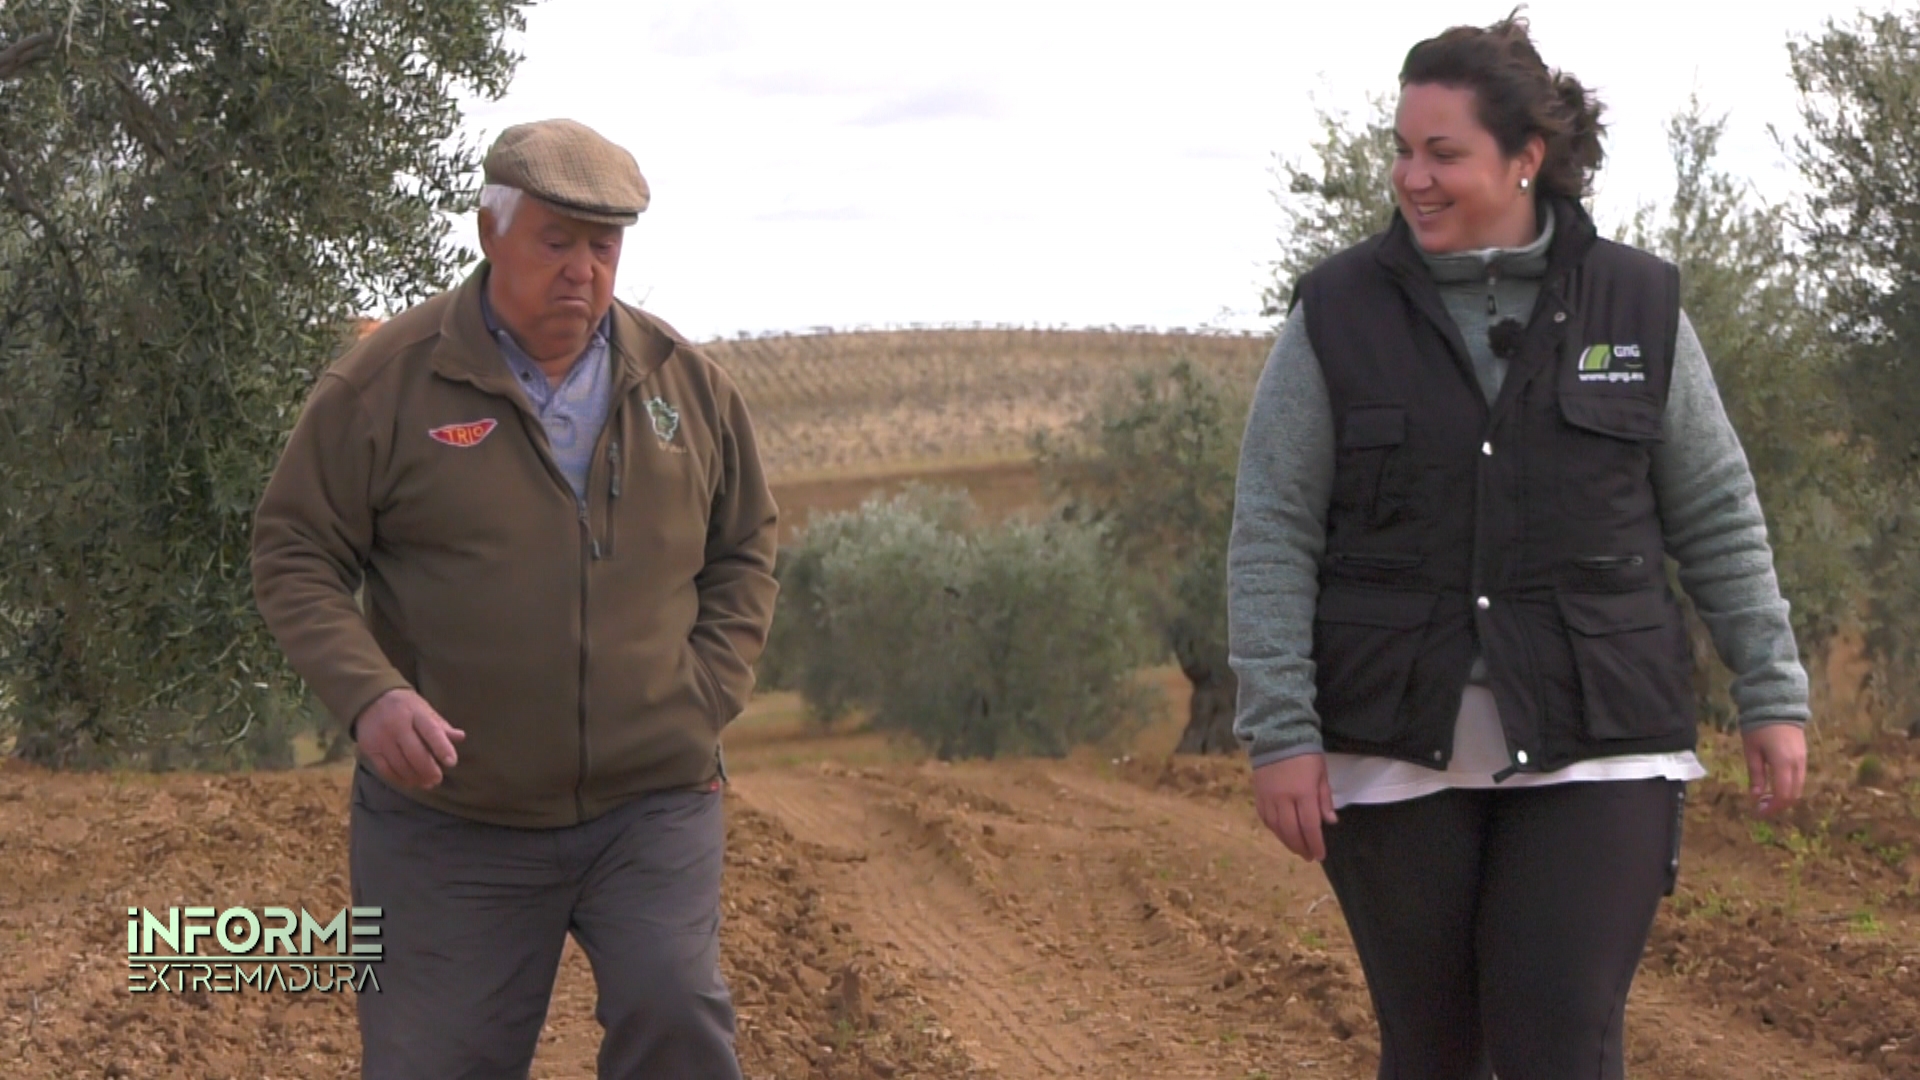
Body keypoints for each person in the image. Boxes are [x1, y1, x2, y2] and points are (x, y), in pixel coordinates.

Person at [1226, 15, 1808, 1080]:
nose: (1415, 176)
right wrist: (1280, 731)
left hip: (1603, 732)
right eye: (1403, 149)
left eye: (1443, 153)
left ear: (1526, 158)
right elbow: (1272, 528)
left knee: (1561, 1040)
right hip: (1393, 749)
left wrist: (1771, 690)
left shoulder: (1638, 304)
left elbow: (1717, 510)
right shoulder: (1336, 314)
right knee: (1436, 1050)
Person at [252, 118, 778, 1079]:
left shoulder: (685, 387)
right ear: (492, 232)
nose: (583, 269)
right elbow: (295, 548)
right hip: (453, 817)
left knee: (677, 1018)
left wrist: (702, 693)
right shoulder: (386, 384)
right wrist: (371, 695)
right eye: (557, 240)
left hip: (649, 803)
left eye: (603, 246)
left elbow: (744, 546)